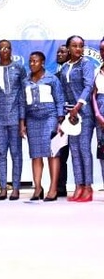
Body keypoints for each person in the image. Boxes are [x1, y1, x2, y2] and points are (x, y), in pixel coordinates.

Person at [19, 51, 65, 201]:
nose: (32, 64)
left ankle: (53, 189)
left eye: (35, 61)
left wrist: (60, 121)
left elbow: (59, 100)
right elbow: (22, 103)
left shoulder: (52, 79)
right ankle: (38, 188)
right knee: (36, 154)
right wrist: (22, 123)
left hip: (50, 118)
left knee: (52, 153)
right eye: (30, 61)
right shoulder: (25, 81)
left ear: (43, 63)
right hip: (32, 119)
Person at [0, 39, 27, 201]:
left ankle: (16, 188)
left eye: (7, 48)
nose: (4, 50)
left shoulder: (19, 68)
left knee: (16, 154)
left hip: (16, 117)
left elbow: (24, 94)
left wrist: (22, 119)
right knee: (1, 153)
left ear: (11, 50)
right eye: (1, 48)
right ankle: (3, 188)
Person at [59, 35, 95, 202]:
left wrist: (78, 106)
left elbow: (88, 86)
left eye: (81, 46)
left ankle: (88, 187)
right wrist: (67, 111)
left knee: (84, 150)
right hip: (70, 115)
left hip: (84, 113)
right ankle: (78, 186)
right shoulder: (65, 67)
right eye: (74, 46)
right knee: (74, 151)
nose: (78, 49)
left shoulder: (86, 63)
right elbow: (64, 91)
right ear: (68, 48)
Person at [55, 44, 70, 197]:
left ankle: (83, 186)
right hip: (60, 119)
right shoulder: (55, 74)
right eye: (58, 52)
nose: (59, 54)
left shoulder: (70, 73)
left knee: (79, 154)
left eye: (63, 52)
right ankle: (60, 187)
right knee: (61, 155)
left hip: (74, 117)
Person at [92, 37, 104, 190]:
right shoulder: (96, 71)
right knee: (103, 152)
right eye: (102, 50)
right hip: (100, 113)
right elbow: (93, 95)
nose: (103, 53)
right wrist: (97, 114)